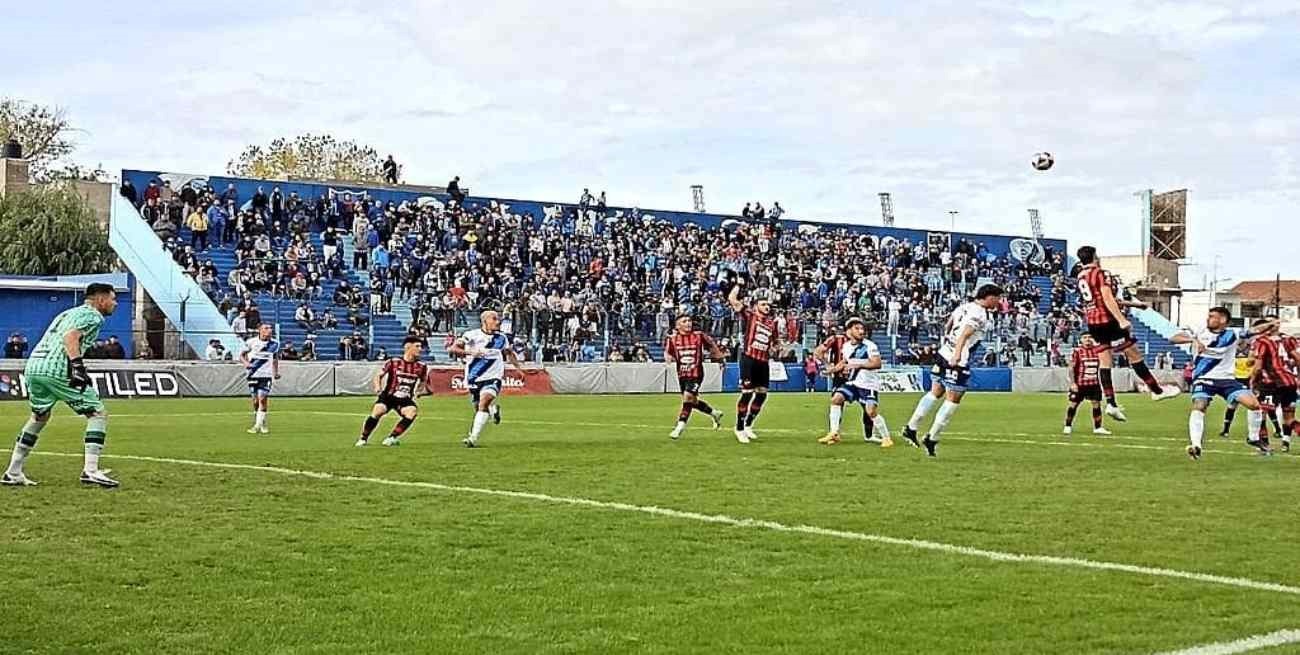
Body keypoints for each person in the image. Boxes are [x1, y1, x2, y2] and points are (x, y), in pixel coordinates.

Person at [3, 283, 120, 487]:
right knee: (97, 413)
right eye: (112, 299)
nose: (115, 303)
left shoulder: (67, 313)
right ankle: (91, 470)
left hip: (35, 366)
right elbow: (70, 337)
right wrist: (77, 366)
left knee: (39, 416)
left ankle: (13, 471)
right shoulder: (92, 315)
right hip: (56, 368)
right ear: (101, 300)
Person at [1074, 246, 1180, 421]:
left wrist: (1135, 305)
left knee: (1105, 362)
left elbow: (1101, 299)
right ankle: (1156, 391)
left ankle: (1111, 403)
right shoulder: (1100, 273)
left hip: (1093, 323)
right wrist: (1121, 319)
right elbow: (1107, 297)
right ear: (1094, 257)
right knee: (1133, 354)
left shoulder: (1081, 276)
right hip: (1108, 321)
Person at [902, 284, 1004, 457]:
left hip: (944, 353)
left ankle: (911, 427)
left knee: (935, 392)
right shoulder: (979, 313)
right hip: (957, 358)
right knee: (953, 399)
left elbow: (948, 324)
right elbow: (965, 333)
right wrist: (957, 354)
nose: (999, 302)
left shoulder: (964, 306)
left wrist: (947, 344)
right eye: (998, 298)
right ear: (989, 297)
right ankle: (932, 438)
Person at [1169, 309, 1276, 460]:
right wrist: (1192, 341)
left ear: (1223, 319)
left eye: (1212, 317)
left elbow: (1253, 330)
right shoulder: (1199, 330)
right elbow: (1173, 338)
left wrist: (1273, 323)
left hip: (1227, 379)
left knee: (1253, 405)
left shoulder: (1232, 334)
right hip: (1204, 378)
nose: (1208, 319)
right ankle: (1196, 445)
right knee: (1200, 405)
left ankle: (1253, 437)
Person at [448, 310, 520, 447]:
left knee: (483, 402)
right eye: (494, 319)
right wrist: (470, 352)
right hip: (474, 376)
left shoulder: (502, 338)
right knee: (480, 408)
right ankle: (493, 411)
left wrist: (518, 369)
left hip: (494, 376)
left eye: (497, 319)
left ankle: (472, 438)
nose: (497, 321)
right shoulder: (471, 335)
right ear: (484, 321)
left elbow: (509, 353)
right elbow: (453, 349)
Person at [819, 318, 892, 447]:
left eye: (862, 329)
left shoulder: (870, 346)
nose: (861, 331)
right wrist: (832, 370)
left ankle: (886, 438)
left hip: (868, 385)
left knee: (871, 412)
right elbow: (845, 362)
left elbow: (877, 363)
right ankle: (834, 432)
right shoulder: (846, 347)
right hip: (853, 383)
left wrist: (858, 366)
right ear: (849, 332)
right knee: (836, 399)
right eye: (857, 329)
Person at [355, 337, 428, 447]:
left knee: (412, 412)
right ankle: (363, 438)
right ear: (407, 347)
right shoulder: (393, 362)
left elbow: (423, 380)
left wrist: (418, 391)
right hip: (389, 396)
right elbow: (378, 375)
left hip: (405, 399)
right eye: (417, 346)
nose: (420, 349)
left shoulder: (421, 367)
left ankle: (392, 437)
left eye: (421, 346)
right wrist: (377, 387)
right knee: (378, 411)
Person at [663, 315, 726, 439]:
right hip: (682, 374)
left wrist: (720, 359)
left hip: (696, 373)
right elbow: (668, 351)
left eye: (689, 321)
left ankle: (679, 427)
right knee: (692, 401)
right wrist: (668, 358)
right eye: (684, 321)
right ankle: (714, 413)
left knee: (687, 398)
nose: (688, 323)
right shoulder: (672, 339)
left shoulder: (699, 335)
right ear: (677, 325)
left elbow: (712, 345)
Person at [1249, 319, 1300, 452]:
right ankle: (1285, 443)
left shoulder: (1262, 341)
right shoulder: (1288, 339)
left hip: (1270, 383)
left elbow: (1258, 366)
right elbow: (1297, 358)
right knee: (1289, 417)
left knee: (1261, 413)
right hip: (1289, 382)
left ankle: (1264, 445)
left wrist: (1253, 380)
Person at [1063, 334, 1110, 436]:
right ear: (1081, 340)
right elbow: (1071, 368)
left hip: (1094, 383)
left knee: (1096, 404)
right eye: (1085, 338)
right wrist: (1073, 383)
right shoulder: (1077, 352)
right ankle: (1067, 426)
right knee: (1073, 404)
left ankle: (1098, 427)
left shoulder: (1097, 351)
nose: (1088, 339)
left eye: (1090, 337)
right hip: (1080, 384)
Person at [239, 323, 280, 435]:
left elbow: (275, 359)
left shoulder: (275, 344)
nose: (269, 330)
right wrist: (246, 363)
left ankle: (257, 426)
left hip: (266, 375)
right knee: (255, 401)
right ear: (260, 330)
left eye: (270, 328)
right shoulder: (251, 342)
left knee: (263, 398)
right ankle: (261, 421)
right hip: (253, 374)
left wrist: (275, 372)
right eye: (266, 328)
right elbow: (242, 355)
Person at [1219, 340, 1256, 437]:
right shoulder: (1233, 352)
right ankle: (1226, 430)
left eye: (1242, 340)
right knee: (1232, 406)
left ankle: (1261, 432)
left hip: (1248, 380)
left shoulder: (1250, 352)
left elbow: (1254, 364)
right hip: (1236, 380)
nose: (1240, 343)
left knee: (1255, 406)